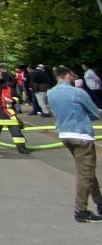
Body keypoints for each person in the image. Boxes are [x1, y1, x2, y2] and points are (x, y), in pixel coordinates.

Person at [46, 66, 102, 222]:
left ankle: (100, 202)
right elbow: (95, 113)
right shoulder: (77, 92)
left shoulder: (51, 93)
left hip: (64, 134)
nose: (74, 77)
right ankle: (81, 210)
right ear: (67, 75)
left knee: (87, 171)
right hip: (81, 134)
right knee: (85, 174)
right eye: (72, 74)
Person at [0, 69, 29, 155]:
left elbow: (17, 98)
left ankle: (21, 147)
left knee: (16, 131)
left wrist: (12, 100)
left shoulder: (8, 88)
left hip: (9, 113)